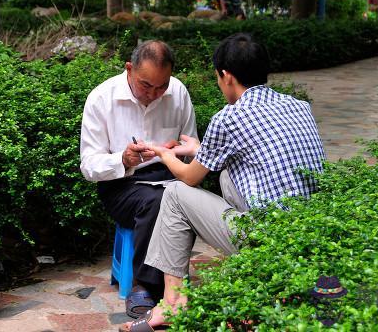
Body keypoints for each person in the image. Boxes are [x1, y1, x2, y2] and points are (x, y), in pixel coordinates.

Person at [120, 33, 325, 331]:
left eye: (218, 77)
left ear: (226, 76)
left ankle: (172, 304)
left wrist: (164, 153)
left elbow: (188, 177)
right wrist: (197, 150)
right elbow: (255, 149)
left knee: (175, 194)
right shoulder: (298, 106)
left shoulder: (229, 118)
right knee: (228, 172)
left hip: (265, 238)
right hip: (307, 233)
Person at [80, 40, 198, 319]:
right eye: (146, 85)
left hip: (169, 175)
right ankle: (147, 286)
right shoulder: (102, 98)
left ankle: (167, 283)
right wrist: (122, 159)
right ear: (129, 69)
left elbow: (191, 147)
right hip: (121, 184)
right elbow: (89, 166)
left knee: (186, 199)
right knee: (160, 202)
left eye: (161, 86)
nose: (154, 94)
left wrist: (180, 153)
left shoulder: (178, 92)